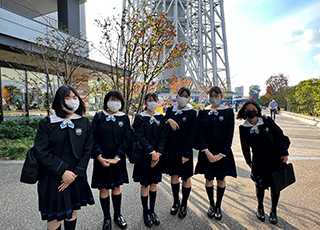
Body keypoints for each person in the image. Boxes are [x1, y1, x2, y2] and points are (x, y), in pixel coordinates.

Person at [34, 85, 94, 230]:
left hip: (75, 175)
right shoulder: (47, 123)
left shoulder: (84, 122)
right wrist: (63, 171)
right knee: (54, 216)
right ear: (59, 101)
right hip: (53, 177)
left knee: (72, 210)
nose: (72, 101)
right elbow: (41, 151)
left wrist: (75, 174)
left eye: (75, 97)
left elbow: (87, 149)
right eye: (67, 97)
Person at [237, 100, 290, 225]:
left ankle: (273, 210)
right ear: (244, 112)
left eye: (253, 109)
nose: (251, 111)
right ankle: (260, 207)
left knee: (275, 184)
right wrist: (248, 161)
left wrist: (284, 152)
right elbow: (244, 147)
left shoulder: (267, 122)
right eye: (248, 110)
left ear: (257, 110)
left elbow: (279, 136)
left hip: (274, 157)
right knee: (259, 185)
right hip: (258, 159)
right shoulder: (243, 128)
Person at [195, 86, 237, 220]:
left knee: (221, 178)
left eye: (216, 95)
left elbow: (229, 133)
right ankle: (211, 205)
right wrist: (206, 151)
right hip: (206, 151)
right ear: (208, 97)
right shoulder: (202, 112)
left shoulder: (228, 112)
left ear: (221, 97)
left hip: (222, 152)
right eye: (211, 95)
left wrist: (222, 153)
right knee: (208, 178)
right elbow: (199, 133)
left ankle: (218, 205)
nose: (213, 98)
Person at [91, 90, 131, 230]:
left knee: (116, 187)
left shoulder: (124, 118)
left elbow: (127, 139)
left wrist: (118, 157)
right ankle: (107, 218)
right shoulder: (99, 117)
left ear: (121, 102)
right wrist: (100, 157)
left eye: (117, 100)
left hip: (117, 160)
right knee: (103, 188)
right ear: (106, 101)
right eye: (111, 99)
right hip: (101, 159)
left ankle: (118, 215)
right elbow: (92, 138)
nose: (114, 102)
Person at [132, 93, 168, 228]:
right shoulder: (140, 118)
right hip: (144, 157)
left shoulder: (161, 118)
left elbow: (163, 137)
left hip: (157, 157)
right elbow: (139, 136)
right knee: (145, 184)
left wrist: (158, 153)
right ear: (145, 102)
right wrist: (151, 152)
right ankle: (145, 212)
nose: (152, 102)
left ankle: (152, 211)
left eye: (155, 100)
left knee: (154, 183)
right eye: (150, 100)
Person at [162, 87, 197, 219]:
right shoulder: (171, 110)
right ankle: (176, 201)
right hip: (171, 149)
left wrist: (187, 153)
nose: (183, 97)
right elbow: (164, 124)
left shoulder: (192, 113)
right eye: (181, 95)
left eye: (186, 96)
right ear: (177, 96)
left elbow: (192, 135)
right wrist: (168, 120)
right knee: (174, 175)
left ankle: (184, 204)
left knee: (186, 177)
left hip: (184, 150)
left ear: (189, 98)